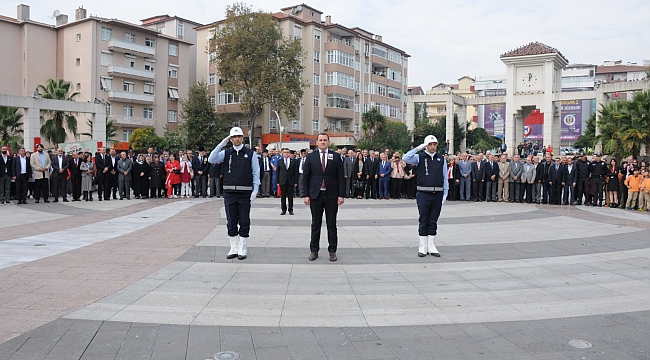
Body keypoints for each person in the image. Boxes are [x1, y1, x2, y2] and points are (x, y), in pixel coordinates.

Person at [209, 127, 260, 260]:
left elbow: (256, 172)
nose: (237, 139)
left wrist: (255, 189)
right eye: (234, 137)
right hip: (229, 192)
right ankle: (233, 247)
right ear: (231, 139)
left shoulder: (250, 153)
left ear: (242, 138)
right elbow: (211, 159)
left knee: (244, 221)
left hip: (245, 193)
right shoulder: (226, 153)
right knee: (231, 221)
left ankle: (242, 248)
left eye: (239, 136)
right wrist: (221, 144)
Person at [403, 135, 448, 257]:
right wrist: (418, 148)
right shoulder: (419, 157)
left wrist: (445, 193)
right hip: (423, 193)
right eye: (430, 144)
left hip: (437, 193)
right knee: (424, 219)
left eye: (434, 144)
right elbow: (406, 158)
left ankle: (431, 245)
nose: (432, 147)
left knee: (433, 220)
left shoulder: (441, 159)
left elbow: (445, 176)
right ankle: (422, 246)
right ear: (426, 145)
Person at [303, 133, 345, 262]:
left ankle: (332, 251)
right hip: (316, 195)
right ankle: (314, 250)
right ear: (317, 142)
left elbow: (340, 177)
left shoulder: (337, 157)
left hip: (331, 195)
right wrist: (306, 195)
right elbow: (306, 177)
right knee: (315, 224)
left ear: (328, 142)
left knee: (331, 224)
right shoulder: (311, 157)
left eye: (325, 140)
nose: (322, 142)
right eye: (320, 140)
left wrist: (341, 195)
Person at [276, 148, 298, 214]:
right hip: (282, 180)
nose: (286, 153)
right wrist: (277, 182)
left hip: (290, 181)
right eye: (285, 152)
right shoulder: (280, 161)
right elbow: (278, 172)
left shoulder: (294, 161)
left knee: (290, 196)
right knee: (283, 196)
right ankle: (283, 209)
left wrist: (295, 182)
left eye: (287, 152)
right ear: (282, 153)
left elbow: (295, 172)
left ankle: (290, 209)